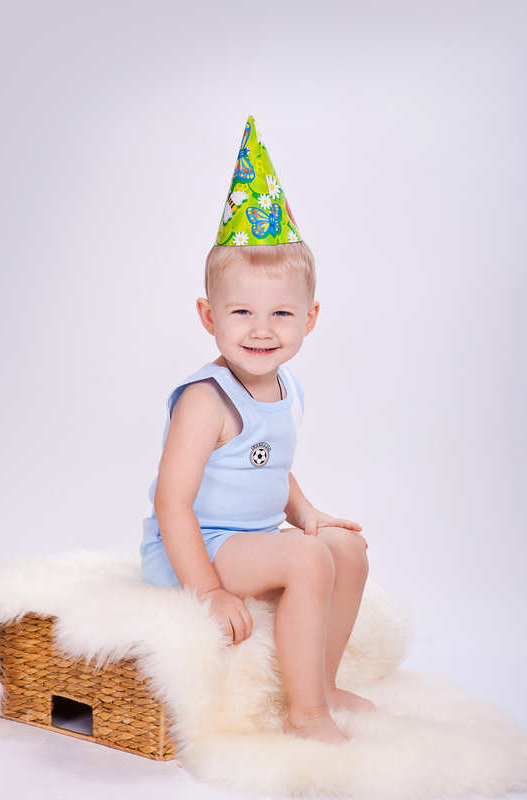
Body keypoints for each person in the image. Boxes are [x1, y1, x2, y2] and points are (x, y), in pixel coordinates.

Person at [140, 117, 375, 745]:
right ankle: (305, 715)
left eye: (281, 313)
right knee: (306, 557)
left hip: (252, 537)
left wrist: (308, 513)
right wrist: (210, 591)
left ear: (310, 318)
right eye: (241, 311)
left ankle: (322, 683)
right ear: (208, 315)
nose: (261, 329)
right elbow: (172, 503)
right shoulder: (205, 399)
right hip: (198, 545)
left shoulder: (284, 385)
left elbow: (269, 464)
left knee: (344, 548)